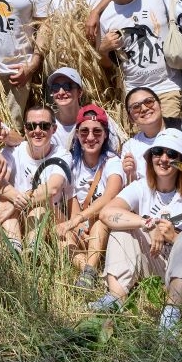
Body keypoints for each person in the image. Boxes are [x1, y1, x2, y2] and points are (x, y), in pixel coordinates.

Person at [89, 129, 182, 332]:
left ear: (181, 160)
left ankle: (171, 315)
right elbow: (107, 213)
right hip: (160, 262)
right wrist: (148, 223)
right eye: (157, 152)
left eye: (171, 154)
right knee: (123, 229)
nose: (164, 159)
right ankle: (116, 297)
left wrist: (175, 237)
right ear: (150, 158)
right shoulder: (142, 187)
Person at [96, 0, 182, 118]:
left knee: (169, 140)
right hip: (134, 93)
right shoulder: (105, 16)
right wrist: (103, 50)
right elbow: (106, 66)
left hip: (167, 87)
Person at [57, 104, 125, 289]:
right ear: (77, 135)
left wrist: (80, 220)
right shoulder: (73, 165)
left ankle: (89, 269)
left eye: (97, 132)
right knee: (62, 235)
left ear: (105, 134)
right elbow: (73, 203)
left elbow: (110, 195)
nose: (90, 137)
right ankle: (88, 271)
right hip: (83, 227)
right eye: (84, 131)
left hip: (108, 227)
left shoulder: (112, 162)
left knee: (100, 219)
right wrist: (78, 228)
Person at [0, 105, 72, 253]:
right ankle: (14, 249)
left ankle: (33, 249)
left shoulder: (62, 155)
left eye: (44, 125)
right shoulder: (12, 151)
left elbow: (52, 188)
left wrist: (15, 206)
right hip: (15, 217)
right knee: (4, 202)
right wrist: (17, 203)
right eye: (31, 126)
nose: (37, 131)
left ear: (53, 129)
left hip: (48, 217)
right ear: (25, 129)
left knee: (40, 205)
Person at [120, 87, 182, 185]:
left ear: (160, 105)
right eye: (136, 107)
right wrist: (131, 175)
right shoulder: (130, 147)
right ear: (130, 118)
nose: (144, 108)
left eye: (149, 101)